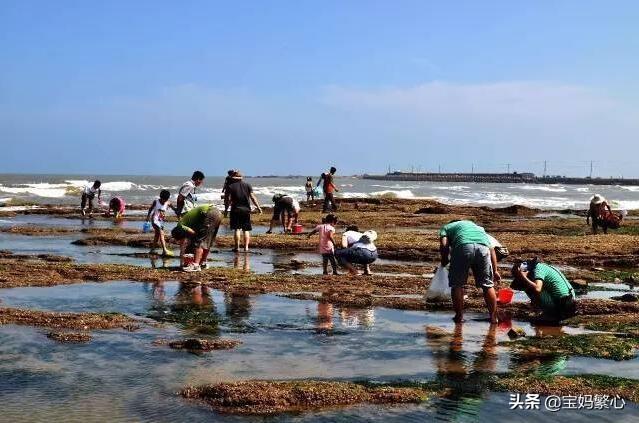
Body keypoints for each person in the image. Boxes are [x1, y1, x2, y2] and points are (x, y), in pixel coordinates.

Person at [439, 220, 500, 324]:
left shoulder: (447, 227)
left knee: (457, 285)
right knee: (488, 285)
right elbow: (492, 250)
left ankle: (459, 317)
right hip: (483, 249)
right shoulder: (478, 228)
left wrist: (444, 259)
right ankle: (494, 318)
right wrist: (495, 270)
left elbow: (444, 245)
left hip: (463, 247)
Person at [511, 258, 577, 322]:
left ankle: (548, 313)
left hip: (563, 303)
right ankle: (544, 311)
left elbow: (537, 289)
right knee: (530, 285)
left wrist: (524, 277)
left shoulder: (539, 270)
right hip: (569, 300)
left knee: (530, 288)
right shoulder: (541, 267)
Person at [171, 204, 222, 272]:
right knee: (207, 241)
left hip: (209, 213)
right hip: (217, 213)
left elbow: (193, 233)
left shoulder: (180, 226)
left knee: (199, 241)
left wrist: (181, 263)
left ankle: (196, 265)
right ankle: (203, 263)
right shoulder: (184, 226)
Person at [223, 171, 263, 252]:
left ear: (233, 178)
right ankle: (246, 248)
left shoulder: (230, 186)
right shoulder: (248, 185)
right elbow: (253, 197)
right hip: (246, 210)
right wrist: (258, 207)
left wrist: (226, 210)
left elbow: (227, 200)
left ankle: (237, 248)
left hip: (235, 210)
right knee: (246, 230)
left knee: (237, 229)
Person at [146, 189, 175, 257]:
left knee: (157, 235)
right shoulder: (156, 202)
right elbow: (150, 209)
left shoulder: (168, 203)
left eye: (165, 199)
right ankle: (164, 250)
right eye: (163, 199)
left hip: (161, 221)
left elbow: (174, 209)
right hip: (154, 220)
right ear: (160, 197)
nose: (164, 201)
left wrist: (179, 212)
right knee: (162, 234)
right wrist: (148, 217)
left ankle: (152, 249)